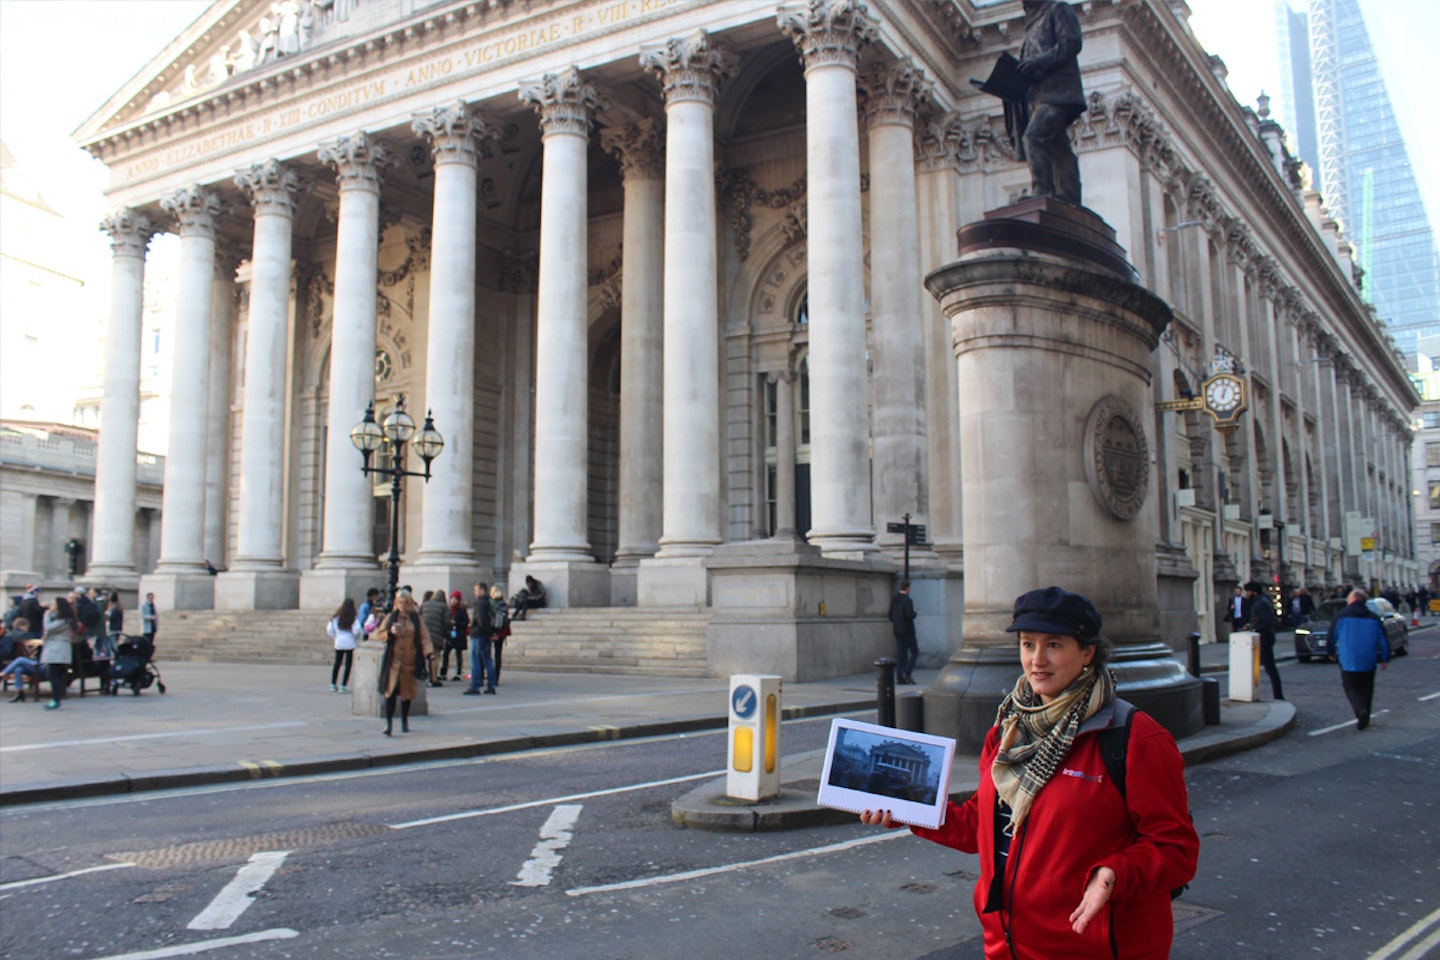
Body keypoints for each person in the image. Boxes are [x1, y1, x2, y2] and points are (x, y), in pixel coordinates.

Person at [860, 586, 1198, 959]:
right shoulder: (1007, 729)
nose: (1037, 660)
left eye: (1053, 645)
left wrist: (1115, 873)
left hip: (1097, 946)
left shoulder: (1134, 737)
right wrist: (908, 810)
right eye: (1027, 644)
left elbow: (1176, 849)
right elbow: (980, 826)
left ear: (1087, 652)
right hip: (1009, 945)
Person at [1014, 0, 1086, 204]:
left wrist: (1038, 62)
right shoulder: (1032, 23)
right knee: (1057, 144)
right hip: (1039, 94)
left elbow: (1072, 42)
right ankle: (1070, 193)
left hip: (1058, 90)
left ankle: (1042, 189)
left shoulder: (1058, 9)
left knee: (1034, 136)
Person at [375, 589, 434, 736]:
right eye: (400, 602)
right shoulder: (391, 617)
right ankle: (388, 723)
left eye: (405, 602)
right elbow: (379, 634)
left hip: (409, 661)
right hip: (393, 662)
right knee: (391, 693)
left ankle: (404, 721)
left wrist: (429, 652)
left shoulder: (416, 619)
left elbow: (424, 637)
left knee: (406, 693)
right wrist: (390, 633)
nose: (403, 605)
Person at [1329, 589, 1389, 730]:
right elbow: (1383, 640)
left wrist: (1330, 651)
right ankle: (1365, 716)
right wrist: (1385, 658)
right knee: (1367, 688)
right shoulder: (1373, 617)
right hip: (1368, 658)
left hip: (1348, 658)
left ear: (1354, 599)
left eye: (1349, 598)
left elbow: (1332, 636)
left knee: (1351, 687)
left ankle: (1359, 710)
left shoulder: (1341, 616)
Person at [1242, 581, 1283, 700]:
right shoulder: (1260, 601)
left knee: (1270, 668)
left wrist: (1254, 629)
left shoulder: (1261, 603)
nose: (1247, 594)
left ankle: (1278, 695)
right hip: (1263, 637)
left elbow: (1267, 621)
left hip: (1265, 637)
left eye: (1248, 591)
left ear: (1254, 592)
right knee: (1266, 667)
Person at [40, 596, 80, 710]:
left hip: (58, 649)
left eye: (53, 604)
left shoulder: (63, 620)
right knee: (54, 674)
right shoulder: (60, 619)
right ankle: (56, 697)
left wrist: (46, 615)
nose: (51, 607)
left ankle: (56, 699)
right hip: (55, 648)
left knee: (53, 675)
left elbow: (49, 628)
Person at [464, 582, 496, 696]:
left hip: (478, 634)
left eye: (476, 590)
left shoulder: (480, 603)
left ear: (482, 590)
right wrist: (491, 633)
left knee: (475, 660)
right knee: (487, 659)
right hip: (486, 635)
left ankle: (475, 686)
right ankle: (492, 685)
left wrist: (487, 632)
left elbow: (482, 620)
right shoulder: (488, 601)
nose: (474, 592)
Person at [1, 618, 40, 702]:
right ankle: (20, 692)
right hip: (33, 661)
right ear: (22, 626)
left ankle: (3, 674)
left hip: (31, 661)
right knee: (19, 667)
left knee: (20, 661)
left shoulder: (9, 634)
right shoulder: (23, 634)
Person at [888, 580, 919, 685]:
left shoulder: (894, 599)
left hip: (897, 630)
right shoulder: (908, 600)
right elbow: (909, 615)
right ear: (907, 588)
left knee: (901, 653)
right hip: (908, 631)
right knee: (914, 651)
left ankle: (899, 676)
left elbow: (890, 616)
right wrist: (915, 612)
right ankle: (908, 672)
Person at [327, 598, 359, 692]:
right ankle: (343, 685)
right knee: (348, 665)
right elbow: (357, 629)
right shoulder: (353, 617)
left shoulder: (336, 617)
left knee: (337, 663)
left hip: (339, 642)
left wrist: (335, 636)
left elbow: (329, 629)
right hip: (350, 642)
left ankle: (333, 684)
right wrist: (354, 637)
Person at [421, 587, 451, 681]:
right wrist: (446, 634)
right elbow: (446, 622)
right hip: (436, 635)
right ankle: (434, 678)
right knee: (435, 657)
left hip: (424, 634)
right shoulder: (444, 607)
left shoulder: (425, 604)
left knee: (423, 655)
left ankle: (422, 675)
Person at [489, 584, 511, 687]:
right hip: (502, 632)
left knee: (487, 654)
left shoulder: (491, 603)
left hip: (492, 630)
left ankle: (489, 675)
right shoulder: (504, 604)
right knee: (498, 655)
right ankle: (496, 677)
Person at [446, 589, 470, 679]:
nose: (453, 600)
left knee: (458, 654)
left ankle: (458, 672)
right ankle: (443, 672)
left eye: (456, 599)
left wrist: (455, 623)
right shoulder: (448, 610)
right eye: (452, 598)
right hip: (449, 634)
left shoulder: (462, 611)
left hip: (458, 634)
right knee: (445, 653)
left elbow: (466, 623)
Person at [99, 592, 123, 661]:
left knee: (113, 644)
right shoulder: (120, 608)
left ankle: (116, 657)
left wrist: (106, 615)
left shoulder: (114, 609)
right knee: (114, 643)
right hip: (118, 627)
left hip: (113, 628)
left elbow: (111, 618)